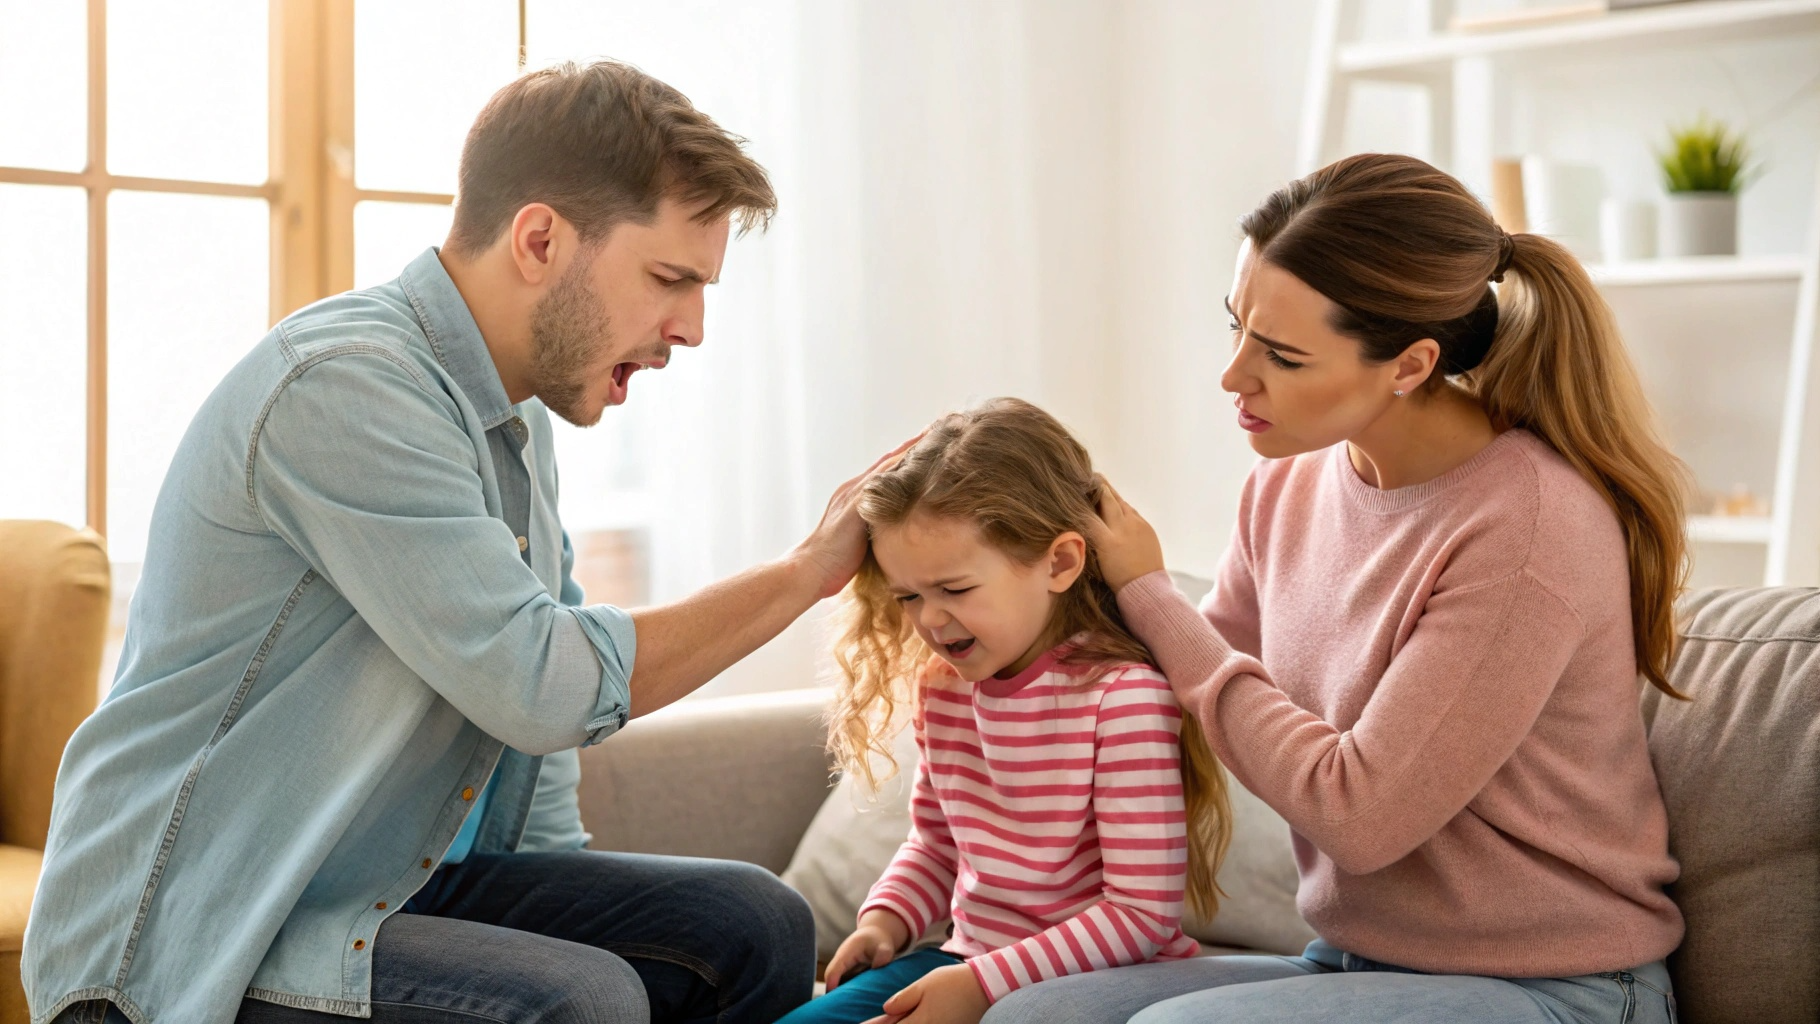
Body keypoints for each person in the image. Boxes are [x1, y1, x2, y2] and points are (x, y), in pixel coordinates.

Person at [26, 60, 898, 1024]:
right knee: (585, 1000)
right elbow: (545, 681)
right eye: (669, 279)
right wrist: (806, 572)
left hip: (389, 894)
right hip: (202, 930)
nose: (689, 328)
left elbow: (544, 740)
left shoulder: (521, 423)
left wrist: (572, 906)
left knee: (753, 924)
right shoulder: (347, 387)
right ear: (539, 239)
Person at [983, 154, 1687, 1024]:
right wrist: (989, 593)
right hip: (1353, 962)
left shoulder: (1529, 529)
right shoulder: (1285, 489)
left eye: (1280, 354)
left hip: (1559, 988)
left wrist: (1153, 593)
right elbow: (1177, 690)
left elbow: (1359, 816)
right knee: (1024, 1014)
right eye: (1236, 328)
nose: (1234, 376)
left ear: (1410, 364)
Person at [776, 398, 1232, 1024]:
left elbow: (1142, 915)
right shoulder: (944, 688)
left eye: (955, 590)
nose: (930, 620)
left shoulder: (1123, 700)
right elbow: (936, 845)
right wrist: (885, 920)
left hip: (1098, 982)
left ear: (1060, 563)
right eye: (909, 595)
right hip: (965, 963)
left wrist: (983, 985)